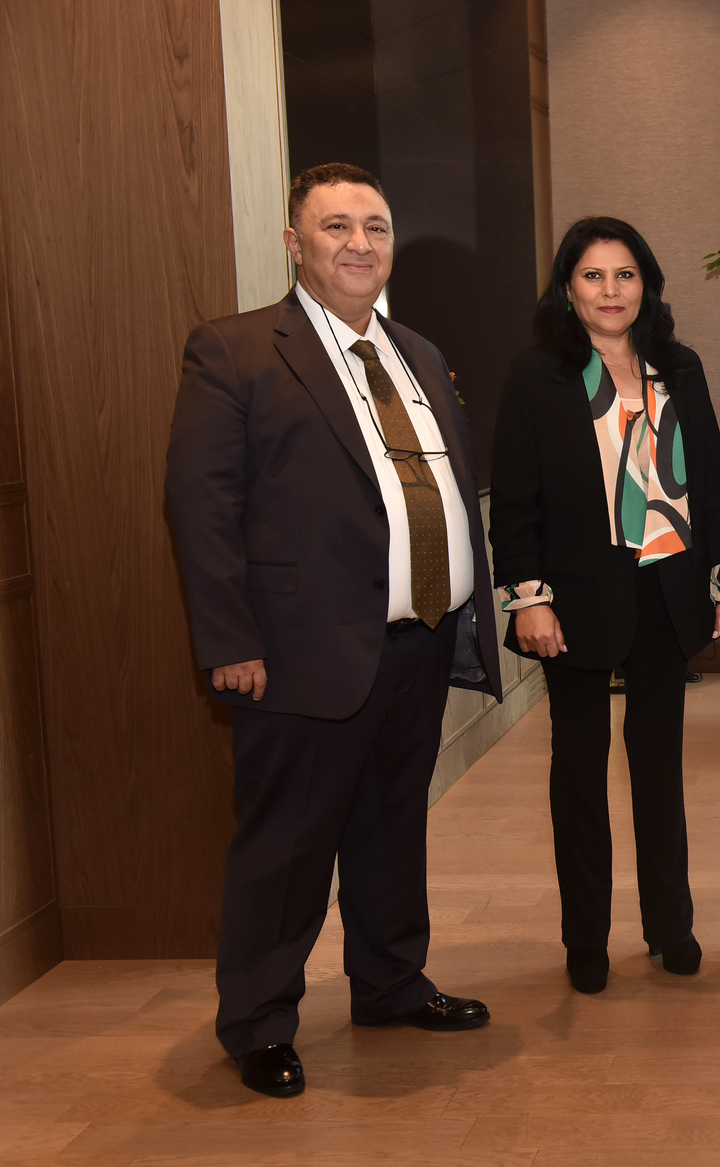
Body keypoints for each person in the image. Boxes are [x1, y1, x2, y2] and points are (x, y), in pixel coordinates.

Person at [166, 163, 502, 1099]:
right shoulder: (233, 353)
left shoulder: (420, 354)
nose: (361, 243)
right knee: (287, 845)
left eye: (377, 226)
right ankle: (259, 1020)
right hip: (299, 651)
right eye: (337, 227)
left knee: (394, 829)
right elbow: (202, 507)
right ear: (294, 243)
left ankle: (390, 983)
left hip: (419, 639)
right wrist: (230, 640)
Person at [490, 217, 720, 995]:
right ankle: (585, 940)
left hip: (665, 592)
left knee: (658, 770)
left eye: (625, 275)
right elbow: (515, 502)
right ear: (567, 289)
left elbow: (709, 485)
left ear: (647, 285)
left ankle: (671, 925)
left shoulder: (680, 367)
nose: (611, 291)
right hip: (574, 602)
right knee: (578, 772)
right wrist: (529, 600)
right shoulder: (538, 374)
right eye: (593, 277)